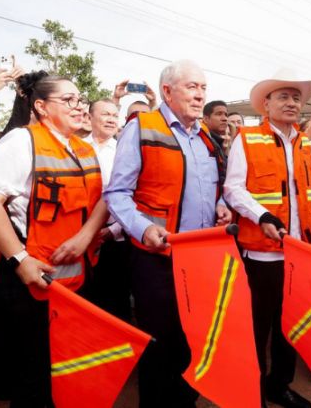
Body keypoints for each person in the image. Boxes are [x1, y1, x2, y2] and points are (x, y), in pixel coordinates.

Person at [0, 70, 109, 406]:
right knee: (33, 379)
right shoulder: (20, 142)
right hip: (31, 281)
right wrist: (19, 260)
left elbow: (104, 199)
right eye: (68, 100)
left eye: (80, 99)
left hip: (78, 279)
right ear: (41, 107)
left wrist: (85, 236)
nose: (79, 107)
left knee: (66, 371)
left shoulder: (83, 148)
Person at [105, 60, 230, 408]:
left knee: (194, 339)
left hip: (201, 258)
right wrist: (144, 229)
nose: (200, 94)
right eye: (192, 87)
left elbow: (213, 187)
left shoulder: (205, 136)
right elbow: (116, 193)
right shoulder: (142, 127)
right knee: (161, 346)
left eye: (203, 87)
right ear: (167, 91)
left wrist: (220, 205)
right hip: (157, 260)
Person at [224, 69, 311, 408]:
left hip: (301, 252)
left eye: (296, 97)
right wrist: (262, 216)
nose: (292, 102)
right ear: (266, 104)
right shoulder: (246, 138)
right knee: (257, 327)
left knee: (291, 326)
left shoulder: (306, 143)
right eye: (283, 96)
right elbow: (233, 190)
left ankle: (279, 385)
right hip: (263, 256)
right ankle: (251, 390)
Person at [82, 99, 132, 320]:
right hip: (79, 238)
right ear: (89, 117)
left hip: (115, 239)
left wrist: (112, 231)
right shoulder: (74, 148)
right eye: (105, 114)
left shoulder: (126, 150)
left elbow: (134, 196)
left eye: (114, 115)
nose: (111, 119)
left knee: (115, 303)